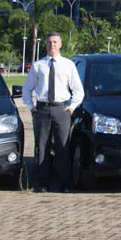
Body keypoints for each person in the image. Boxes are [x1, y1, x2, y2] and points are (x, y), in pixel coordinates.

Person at [21, 32, 84, 192]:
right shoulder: (38, 65)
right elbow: (27, 89)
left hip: (61, 110)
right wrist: (31, 107)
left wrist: (72, 107)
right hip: (42, 110)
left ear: (60, 44)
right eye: (49, 42)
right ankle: (41, 183)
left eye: (55, 42)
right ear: (45, 45)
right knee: (41, 147)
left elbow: (78, 90)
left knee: (63, 147)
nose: (52, 45)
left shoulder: (68, 65)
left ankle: (64, 183)